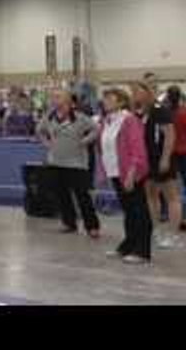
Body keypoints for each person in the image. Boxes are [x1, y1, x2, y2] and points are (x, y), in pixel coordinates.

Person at [36, 90, 101, 238]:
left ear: (69, 102)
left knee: (82, 196)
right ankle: (69, 223)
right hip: (55, 162)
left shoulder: (80, 118)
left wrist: (84, 141)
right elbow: (39, 130)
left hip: (76, 164)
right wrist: (46, 143)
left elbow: (96, 129)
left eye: (59, 98)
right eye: (54, 98)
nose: (56, 101)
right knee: (61, 195)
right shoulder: (49, 117)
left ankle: (92, 226)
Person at [97, 88, 151, 263]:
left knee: (139, 211)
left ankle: (142, 251)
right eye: (105, 98)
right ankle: (128, 245)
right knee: (128, 211)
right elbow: (104, 148)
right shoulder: (106, 121)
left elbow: (138, 149)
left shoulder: (129, 120)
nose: (105, 101)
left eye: (110, 99)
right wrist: (103, 172)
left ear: (121, 102)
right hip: (115, 172)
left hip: (130, 173)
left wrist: (131, 173)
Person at [132, 81, 180, 249]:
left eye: (138, 91)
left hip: (161, 157)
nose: (135, 95)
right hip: (147, 160)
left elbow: (170, 135)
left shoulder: (160, 110)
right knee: (151, 195)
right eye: (133, 92)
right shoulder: (139, 112)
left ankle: (174, 234)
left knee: (171, 196)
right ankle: (156, 230)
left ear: (147, 92)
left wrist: (165, 158)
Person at [169, 86, 186, 233]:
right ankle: (182, 218)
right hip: (181, 153)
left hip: (171, 153)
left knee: (173, 189)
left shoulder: (167, 113)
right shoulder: (183, 112)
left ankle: (179, 219)